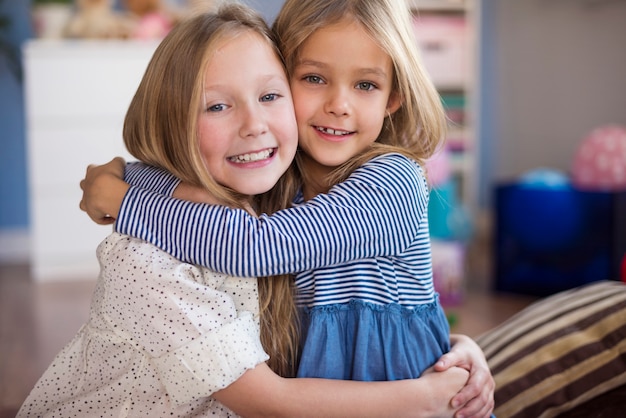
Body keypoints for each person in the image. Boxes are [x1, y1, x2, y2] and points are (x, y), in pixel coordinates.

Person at [18, 4, 473, 417]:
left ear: (393, 96)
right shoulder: (280, 173)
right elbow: (190, 180)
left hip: (405, 395)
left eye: (366, 84)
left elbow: (253, 245)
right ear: (285, 72)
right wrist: (122, 173)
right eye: (313, 78)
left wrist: (122, 198)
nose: (338, 104)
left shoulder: (391, 181)